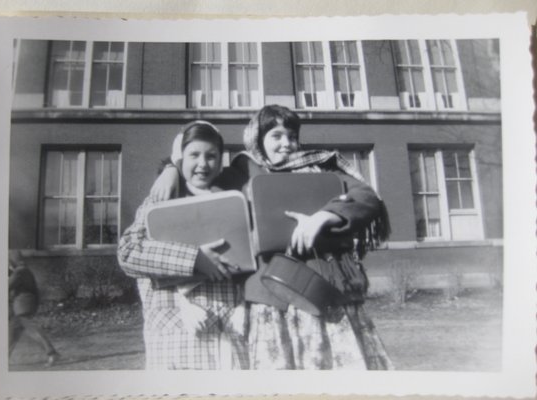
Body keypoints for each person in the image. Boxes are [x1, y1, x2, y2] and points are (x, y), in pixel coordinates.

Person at [151, 105, 392, 370]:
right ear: (258, 139)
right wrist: (170, 168)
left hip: (325, 292)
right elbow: (198, 178)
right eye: (276, 136)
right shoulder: (240, 173)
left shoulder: (321, 168)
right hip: (270, 300)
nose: (286, 144)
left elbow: (367, 197)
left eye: (291, 136)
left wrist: (324, 217)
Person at [117, 121, 248, 370]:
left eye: (211, 156)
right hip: (175, 334)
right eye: (194, 155)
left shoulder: (233, 202)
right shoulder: (161, 200)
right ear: (180, 159)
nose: (202, 164)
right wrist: (194, 258)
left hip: (226, 334)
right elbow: (128, 252)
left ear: (221, 161)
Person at [8, 250, 60, 366]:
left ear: (12, 261)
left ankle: (52, 353)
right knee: (12, 334)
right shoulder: (24, 271)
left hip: (23, 307)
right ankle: (2, 359)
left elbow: (7, 286)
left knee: (33, 331)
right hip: (23, 306)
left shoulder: (19, 272)